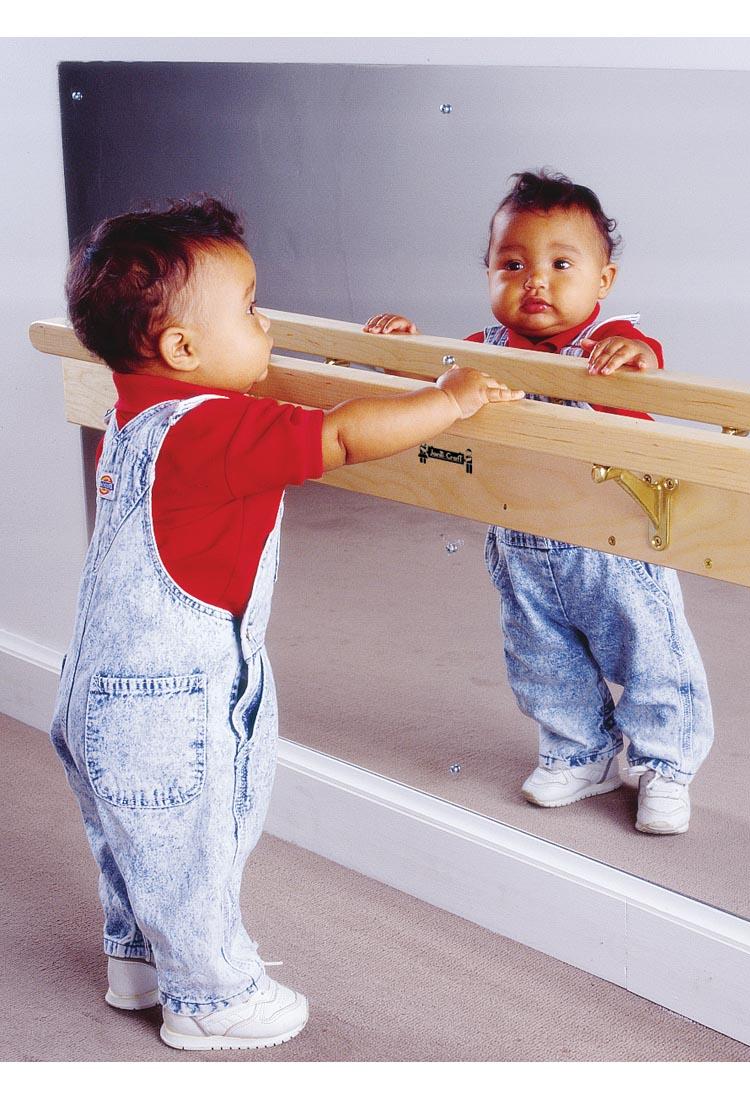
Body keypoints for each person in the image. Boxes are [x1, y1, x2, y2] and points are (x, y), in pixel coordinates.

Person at [50, 196, 523, 1052]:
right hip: (170, 697)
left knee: (134, 833)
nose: (268, 322)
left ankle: (137, 964)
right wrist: (447, 401)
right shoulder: (218, 428)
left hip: (95, 688)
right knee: (196, 842)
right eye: (252, 308)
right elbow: (342, 436)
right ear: (185, 350)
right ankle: (211, 996)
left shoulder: (137, 414)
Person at [364, 169, 713, 836]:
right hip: (521, 542)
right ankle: (580, 752)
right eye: (512, 264)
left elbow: (650, 370)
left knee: (649, 653)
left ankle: (665, 763)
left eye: (560, 264)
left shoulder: (609, 351)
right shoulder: (480, 355)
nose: (535, 281)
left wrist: (634, 352)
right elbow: (426, 386)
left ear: (603, 282)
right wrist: (397, 349)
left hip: (616, 546)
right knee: (541, 656)